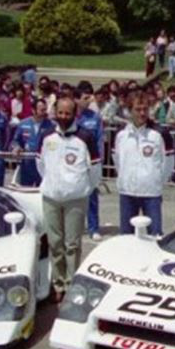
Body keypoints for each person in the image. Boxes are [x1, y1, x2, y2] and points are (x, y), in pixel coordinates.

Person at [36, 97, 101, 302]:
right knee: (55, 243)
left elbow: (96, 171)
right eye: (60, 113)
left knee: (72, 244)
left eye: (68, 113)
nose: (63, 117)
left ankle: (72, 283)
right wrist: (53, 183)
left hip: (75, 198)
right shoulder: (46, 135)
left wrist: (82, 188)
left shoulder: (85, 137)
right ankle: (58, 283)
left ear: (75, 114)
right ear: (55, 112)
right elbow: (41, 165)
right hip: (51, 197)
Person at [114, 92, 171, 235]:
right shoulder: (121, 134)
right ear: (129, 111)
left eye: (145, 109)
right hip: (127, 192)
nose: (142, 113)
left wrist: (157, 181)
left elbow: (168, 164)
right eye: (137, 109)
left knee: (155, 235)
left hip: (151, 193)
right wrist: (124, 179)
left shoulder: (160, 133)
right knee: (126, 236)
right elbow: (117, 161)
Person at [75, 91, 106, 240]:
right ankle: (75, 226)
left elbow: (100, 139)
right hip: (74, 163)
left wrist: (98, 159)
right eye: (85, 98)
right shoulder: (70, 116)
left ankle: (93, 227)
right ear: (76, 99)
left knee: (92, 194)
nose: (89, 100)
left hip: (91, 161)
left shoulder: (94, 117)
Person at [10, 97, 54, 187]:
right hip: (27, 165)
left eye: (45, 109)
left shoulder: (51, 125)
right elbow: (15, 141)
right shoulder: (23, 124)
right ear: (33, 110)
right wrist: (16, 147)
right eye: (41, 110)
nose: (44, 112)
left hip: (43, 166)